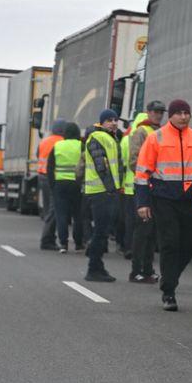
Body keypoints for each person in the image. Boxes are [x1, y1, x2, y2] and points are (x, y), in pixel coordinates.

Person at [135, 99, 192, 311]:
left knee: (190, 244)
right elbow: (142, 173)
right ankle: (169, 291)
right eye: (179, 113)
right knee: (170, 243)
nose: (183, 116)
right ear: (171, 115)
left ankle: (170, 277)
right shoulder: (155, 138)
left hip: (191, 200)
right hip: (164, 198)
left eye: (187, 113)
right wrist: (142, 202)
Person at [124, 100, 166, 283]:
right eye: (155, 112)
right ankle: (136, 270)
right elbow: (134, 160)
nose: (158, 115)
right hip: (145, 188)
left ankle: (148, 269)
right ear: (148, 112)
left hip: (157, 189)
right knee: (142, 230)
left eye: (160, 112)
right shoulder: (141, 132)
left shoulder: (161, 133)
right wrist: (147, 179)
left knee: (151, 232)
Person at [83, 109, 124, 282]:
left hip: (106, 191)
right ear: (101, 123)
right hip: (101, 192)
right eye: (109, 120)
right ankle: (93, 269)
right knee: (100, 232)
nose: (114, 123)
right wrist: (111, 189)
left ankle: (98, 267)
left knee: (103, 231)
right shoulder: (97, 138)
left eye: (115, 119)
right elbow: (102, 166)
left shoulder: (110, 137)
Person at [47, 122, 83, 254]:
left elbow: (50, 168)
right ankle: (78, 243)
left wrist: (53, 186)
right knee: (78, 214)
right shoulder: (82, 146)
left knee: (61, 215)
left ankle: (63, 243)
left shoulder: (57, 146)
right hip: (77, 184)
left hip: (60, 185)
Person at [38, 119, 67, 250]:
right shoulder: (61, 142)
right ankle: (47, 240)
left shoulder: (44, 141)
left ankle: (49, 237)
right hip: (53, 178)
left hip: (41, 176)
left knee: (47, 210)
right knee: (54, 210)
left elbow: (38, 155)